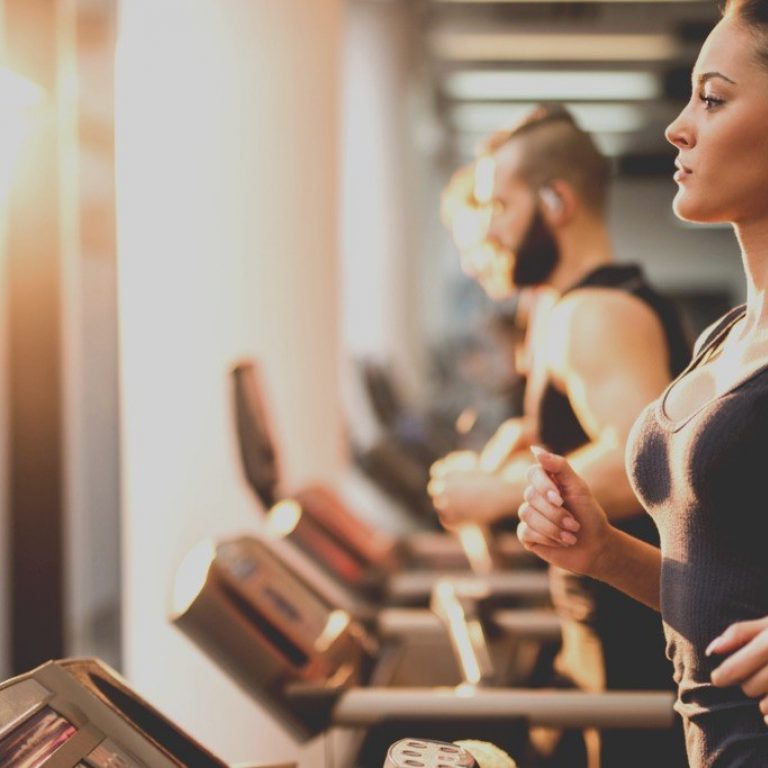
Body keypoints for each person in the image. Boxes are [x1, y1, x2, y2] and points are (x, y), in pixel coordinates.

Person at [516, 2, 768, 764]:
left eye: (713, 99)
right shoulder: (725, 336)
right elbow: (726, 595)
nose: (679, 126)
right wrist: (603, 553)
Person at [430, 105, 689, 767]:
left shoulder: (594, 314)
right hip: (598, 638)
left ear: (557, 201)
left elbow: (642, 458)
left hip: (634, 651)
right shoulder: (575, 309)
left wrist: (494, 494)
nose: (489, 225)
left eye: (502, 203)